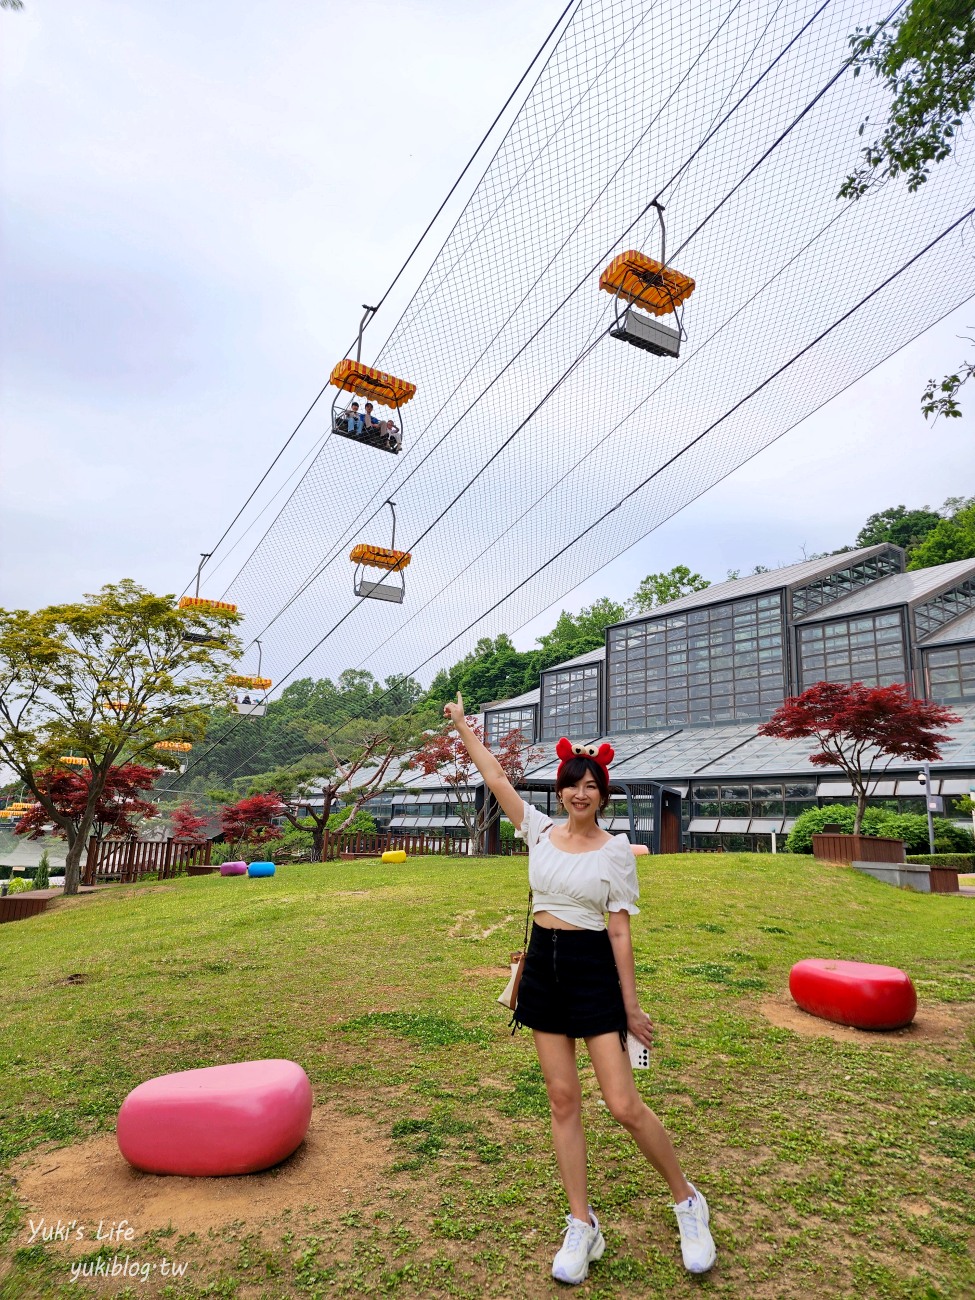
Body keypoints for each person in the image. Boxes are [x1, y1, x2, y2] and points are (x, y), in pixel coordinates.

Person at [442, 694, 717, 1286]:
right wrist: (464, 724)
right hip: (543, 965)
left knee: (622, 1104)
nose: (581, 793)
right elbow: (493, 775)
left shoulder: (616, 851)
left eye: (592, 785)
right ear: (560, 791)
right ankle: (581, 1223)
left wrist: (631, 1006)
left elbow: (619, 932)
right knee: (562, 1101)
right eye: (572, 784)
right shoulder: (537, 831)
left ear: (604, 792)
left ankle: (688, 1202)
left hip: (592, 968)